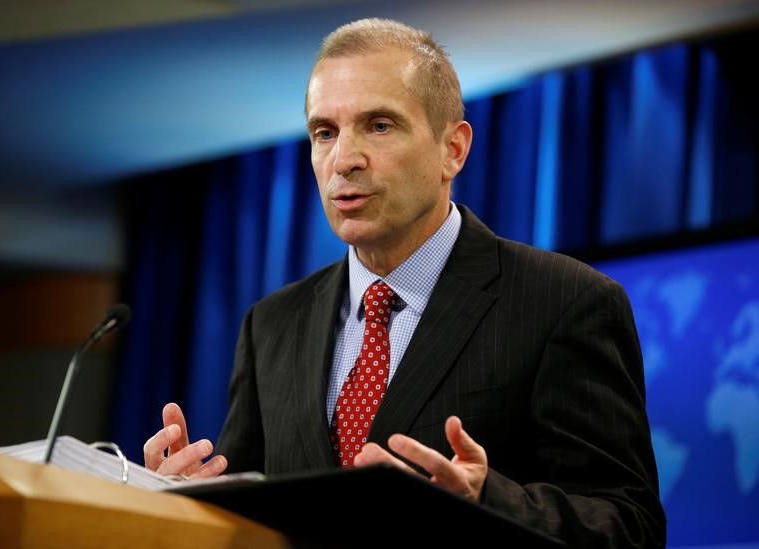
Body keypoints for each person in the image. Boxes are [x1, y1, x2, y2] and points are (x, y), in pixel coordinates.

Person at [143, 18, 665, 546]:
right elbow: (254, 512)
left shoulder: (564, 302)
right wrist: (189, 503)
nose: (344, 160)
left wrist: (488, 501)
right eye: (325, 132)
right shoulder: (272, 324)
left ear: (452, 150)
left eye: (380, 125)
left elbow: (630, 526)